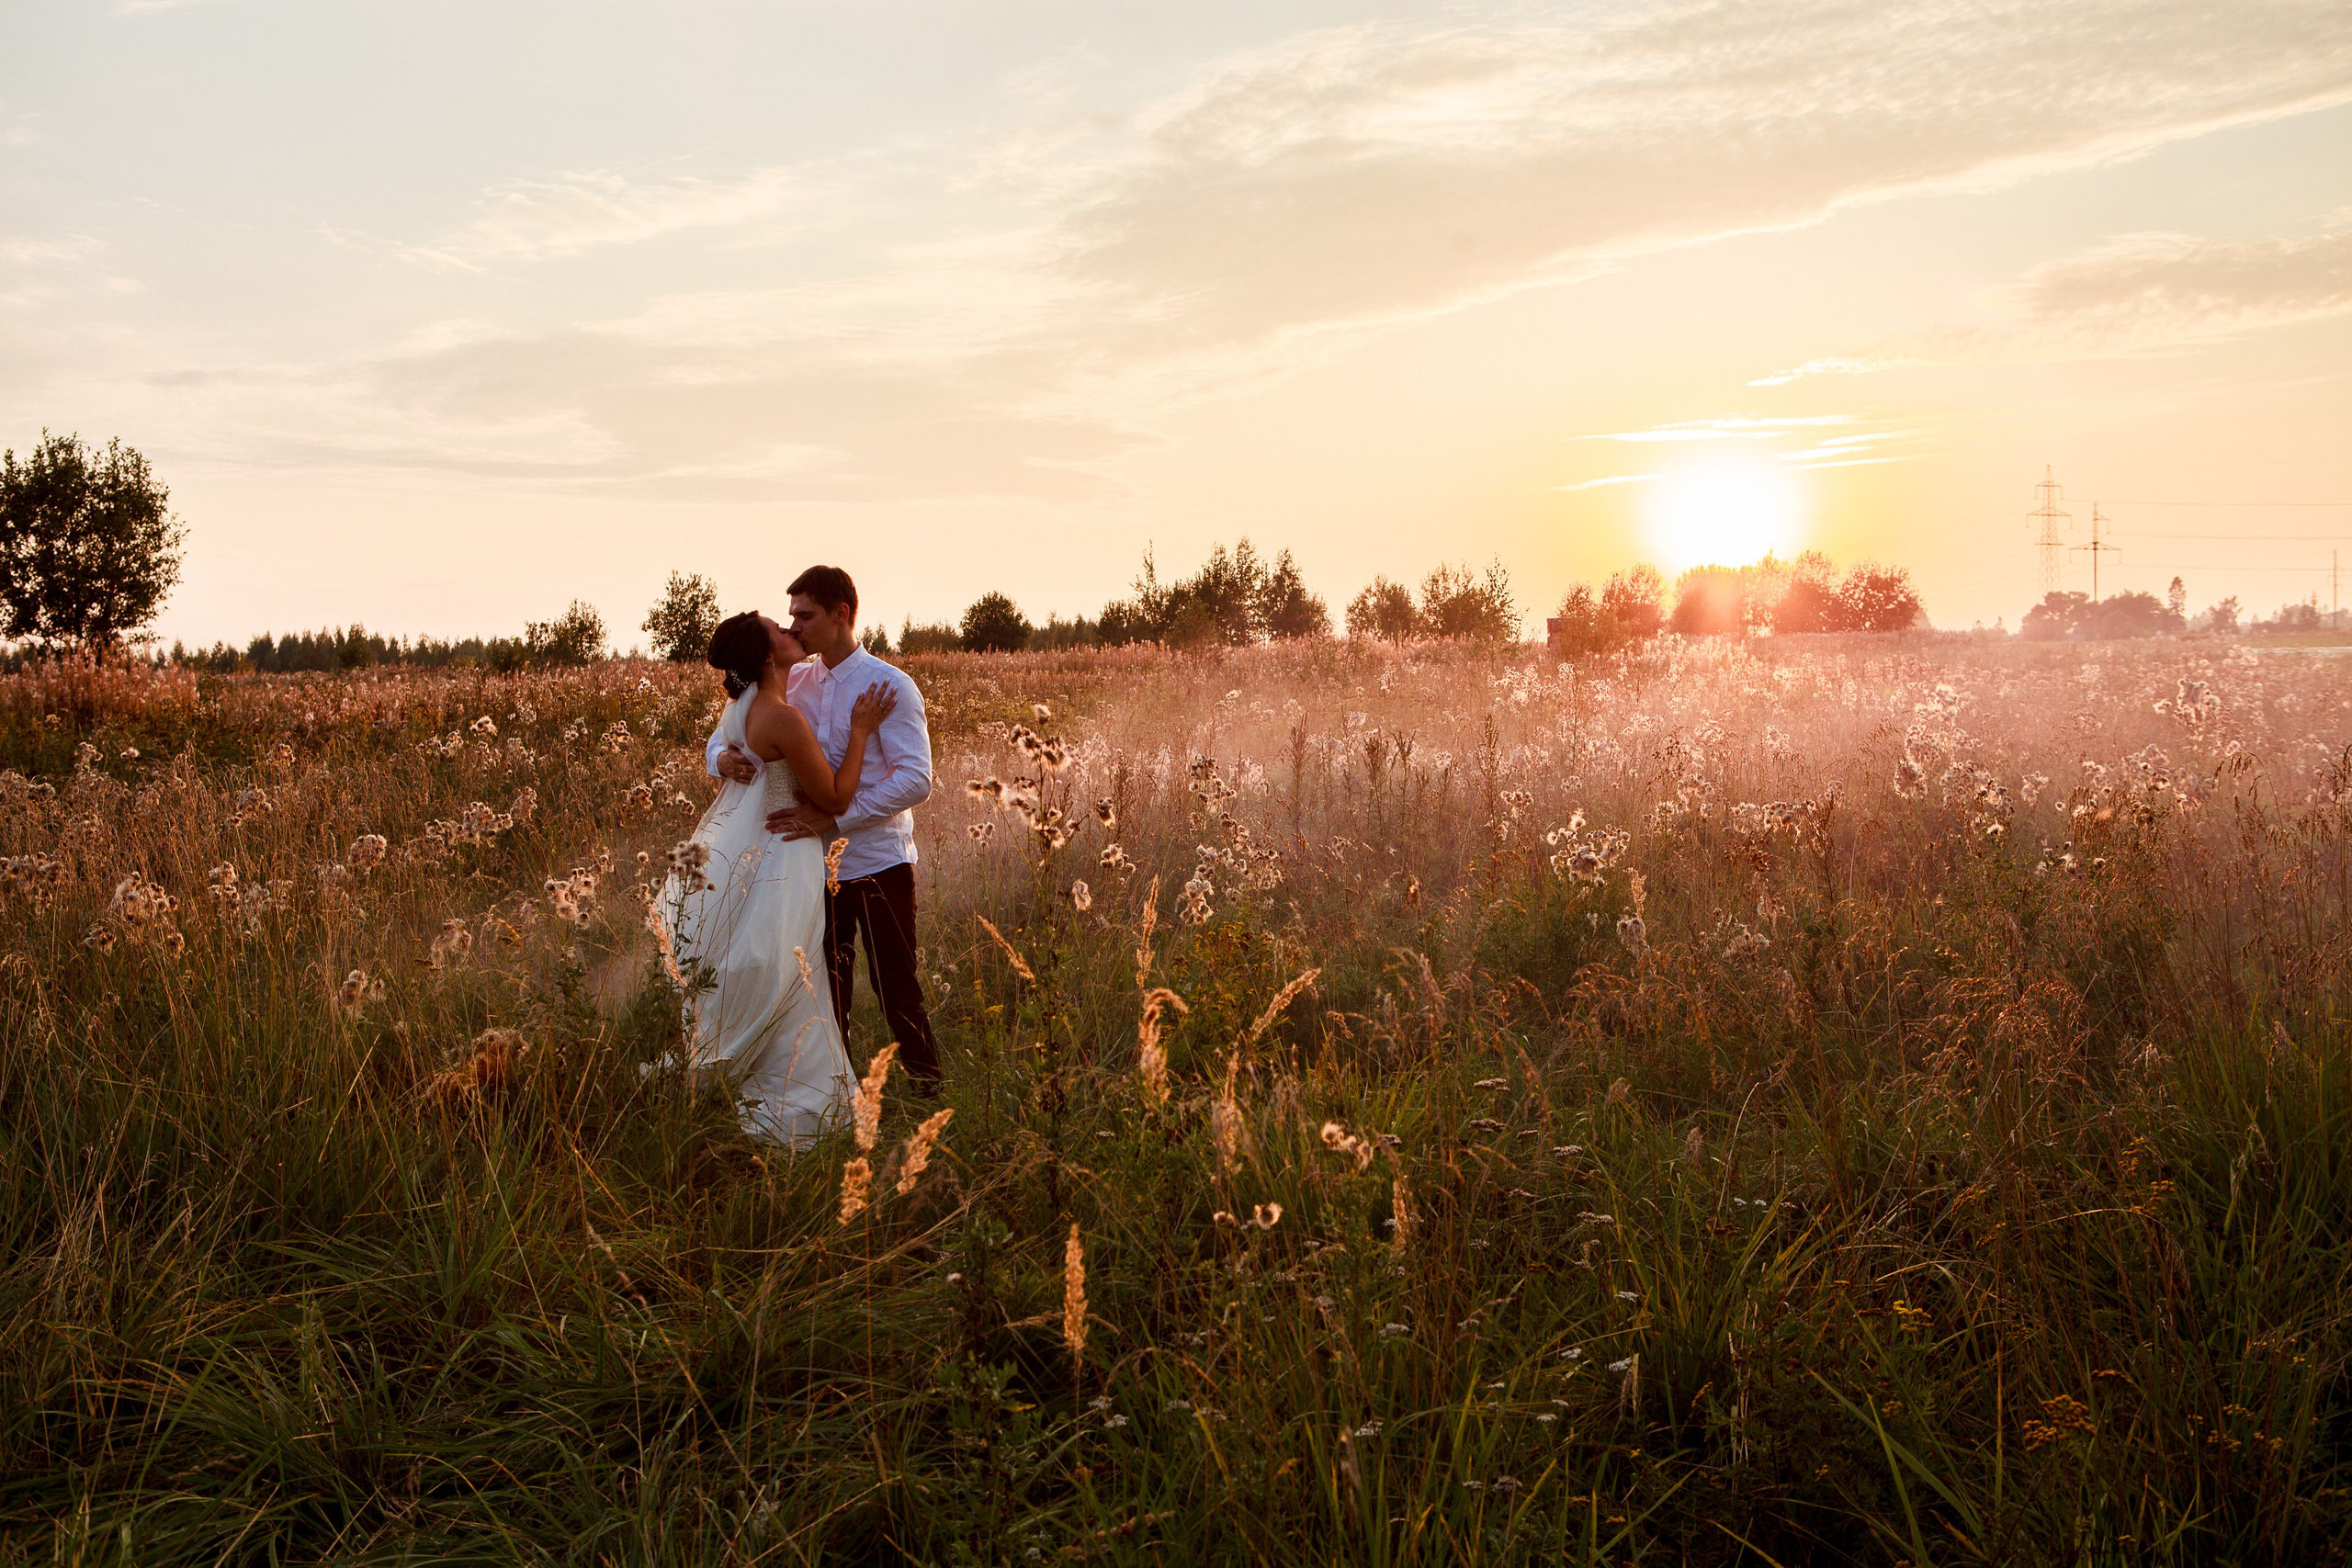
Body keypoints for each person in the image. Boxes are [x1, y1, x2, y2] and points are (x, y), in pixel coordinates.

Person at [662, 611, 894, 1145]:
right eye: (780, 630)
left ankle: (755, 1071)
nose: (792, 633)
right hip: (787, 856)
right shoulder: (783, 717)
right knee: (794, 971)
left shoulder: (742, 707)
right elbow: (835, 797)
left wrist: (720, 758)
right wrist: (859, 731)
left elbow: (719, 743)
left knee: (770, 962)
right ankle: (797, 1097)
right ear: (768, 656)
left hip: (755, 853)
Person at [707, 566, 944, 1091]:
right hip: (811, 864)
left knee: (896, 986)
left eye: (805, 616)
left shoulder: (890, 686)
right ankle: (833, 1091)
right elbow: (734, 725)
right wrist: (719, 759)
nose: (794, 628)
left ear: (842, 615)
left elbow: (915, 780)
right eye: (789, 616)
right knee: (823, 985)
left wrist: (837, 816)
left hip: (879, 860)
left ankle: (929, 1091)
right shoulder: (793, 680)